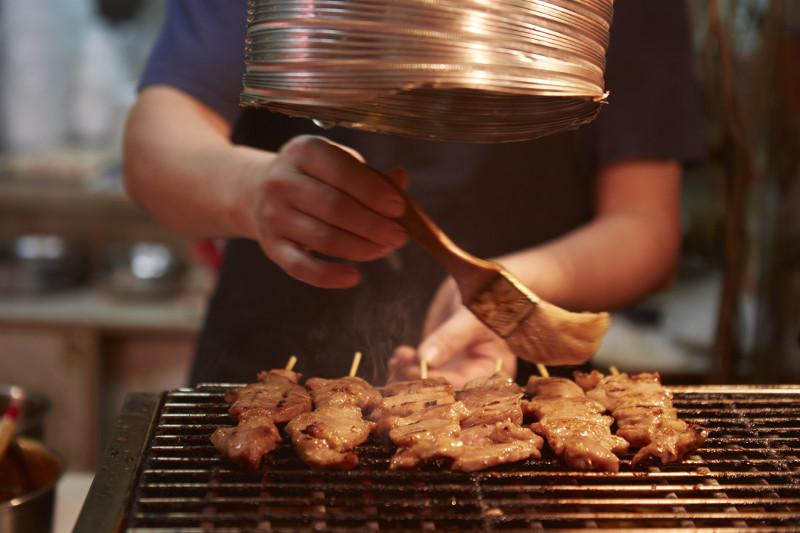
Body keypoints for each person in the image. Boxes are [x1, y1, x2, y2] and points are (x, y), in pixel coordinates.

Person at [125, 0, 702, 387]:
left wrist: (504, 294)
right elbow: (153, 150)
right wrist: (249, 189)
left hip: (511, 396)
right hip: (270, 374)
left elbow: (644, 228)